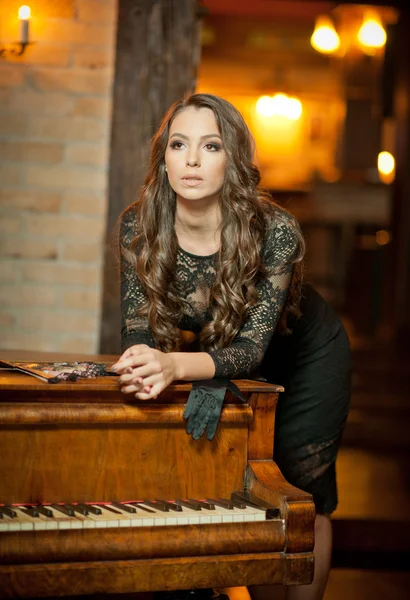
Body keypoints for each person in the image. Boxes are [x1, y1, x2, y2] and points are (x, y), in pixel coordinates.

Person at [110, 93, 351, 600]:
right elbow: (139, 326)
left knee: (301, 494)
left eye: (211, 145)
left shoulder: (274, 231)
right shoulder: (140, 225)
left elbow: (250, 353)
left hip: (302, 356)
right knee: (245, 491)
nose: (192, 159)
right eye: (179, 144)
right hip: (213, 355)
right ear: (164, 158)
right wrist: (139, 360)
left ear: (234, 159)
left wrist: (173, 363)